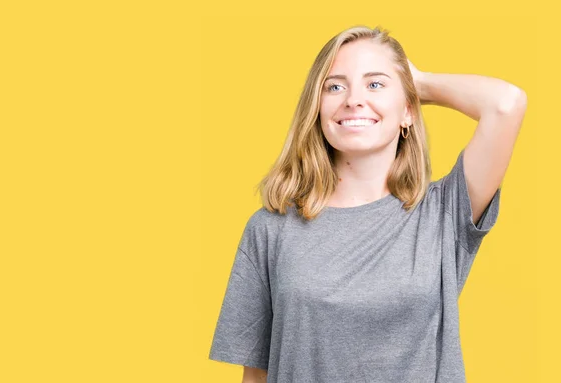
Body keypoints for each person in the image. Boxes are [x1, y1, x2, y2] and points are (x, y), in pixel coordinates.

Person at [208, 25, 527, 383]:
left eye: (374, 84)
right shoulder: (270, 228)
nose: (353, 99)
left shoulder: (444, 213)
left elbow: (506, 104)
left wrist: (417, 83)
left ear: (409, 110)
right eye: (335, 86)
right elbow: (256, 375)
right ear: (317, 107)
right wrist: (390, 89)